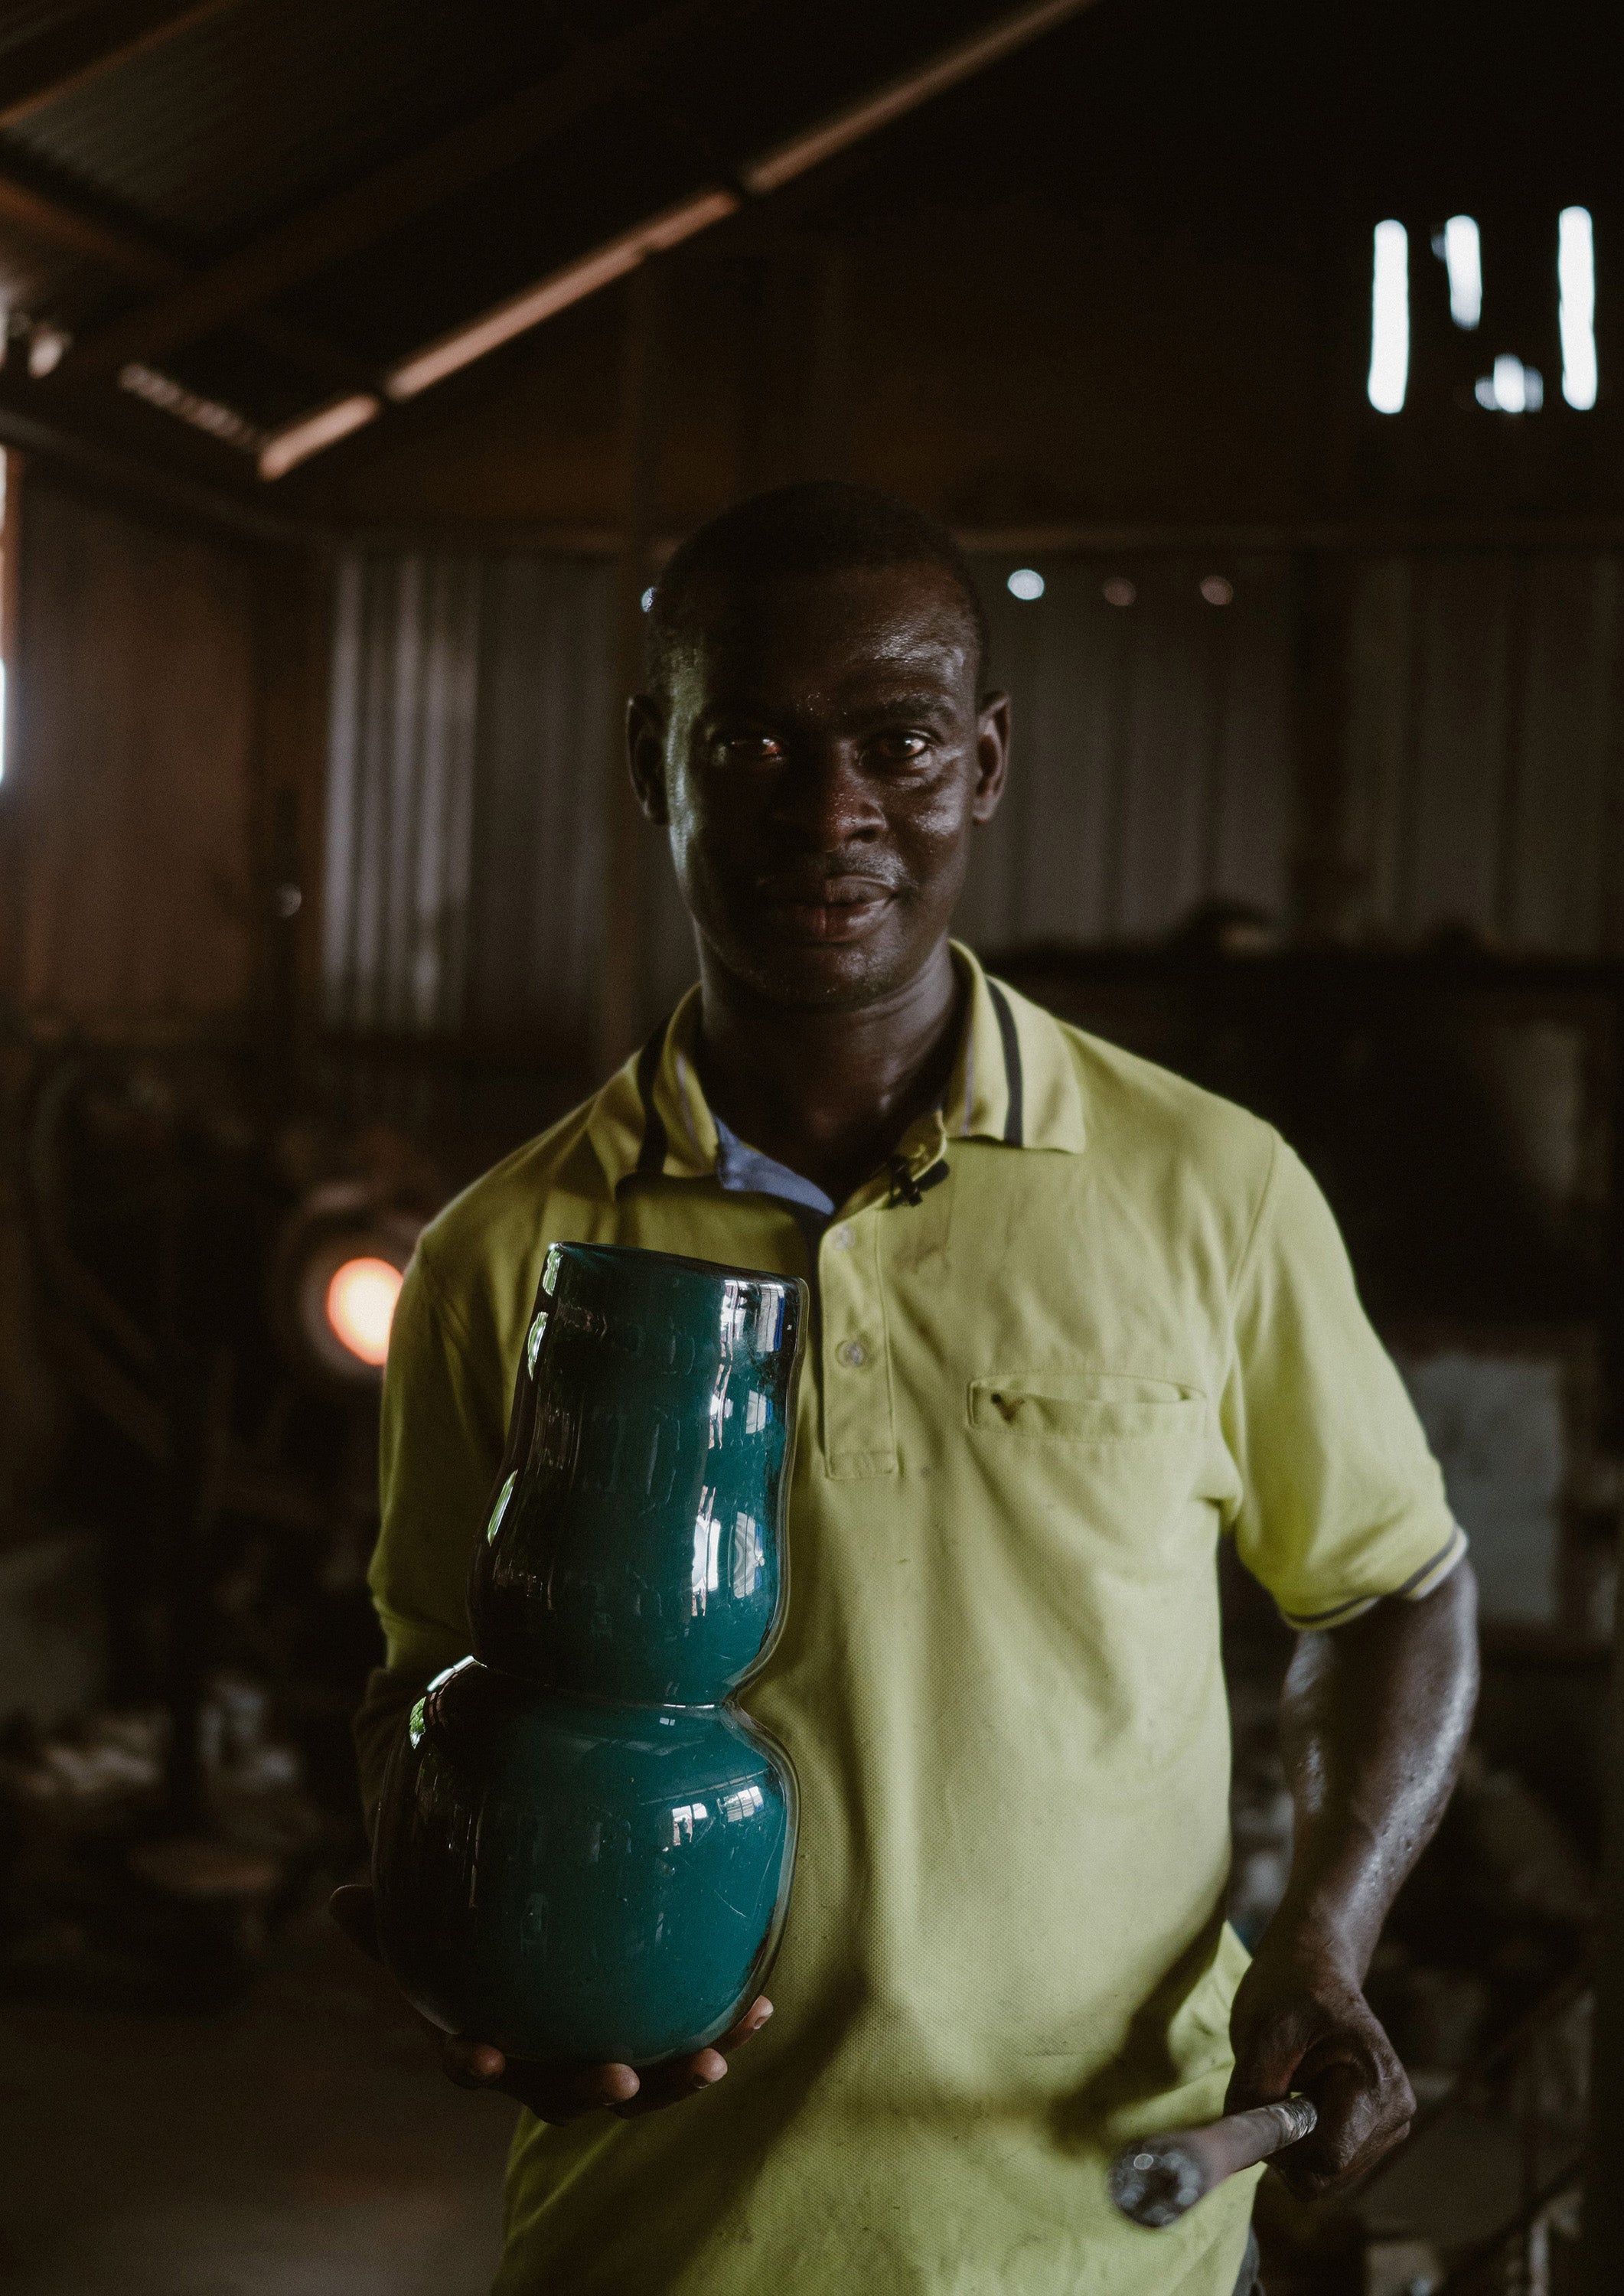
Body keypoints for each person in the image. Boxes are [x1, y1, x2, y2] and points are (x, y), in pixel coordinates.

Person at [334, 482, 1479, 2296]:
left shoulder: (1207, 1187)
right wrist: (456, 1937)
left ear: (989, 762)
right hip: (661, 2241)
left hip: (1104, 2241)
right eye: (753, 742)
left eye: (901, 741)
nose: (830, 808)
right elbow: (426, 1687)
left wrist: (1323, 1943)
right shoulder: (505, 1254)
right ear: (656, 763)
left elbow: (1394, 1588)